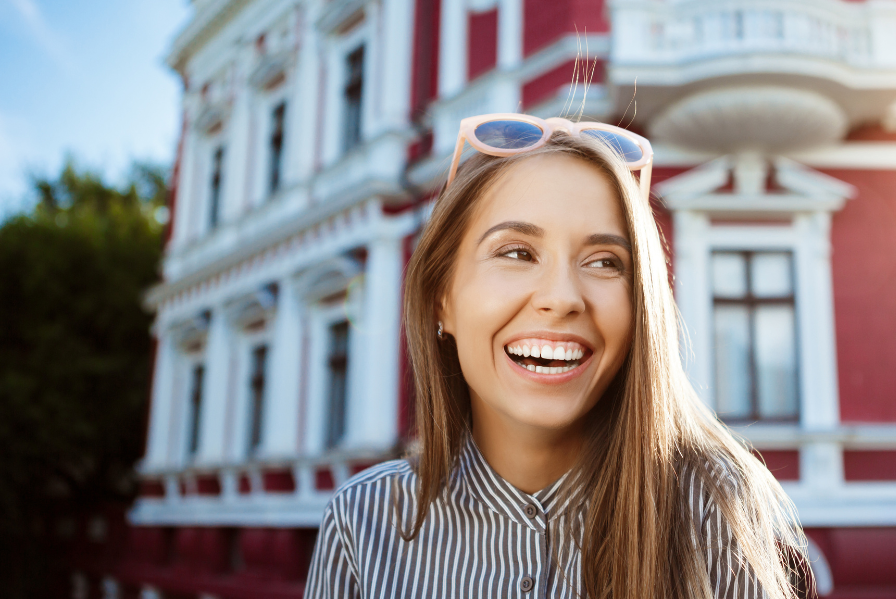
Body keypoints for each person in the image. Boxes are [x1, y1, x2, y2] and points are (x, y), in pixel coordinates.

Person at [303, 114, 811, 598]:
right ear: (443, 299)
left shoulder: (716, 513)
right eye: (517, 252)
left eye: (604, 261)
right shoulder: (362, 522)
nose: (564, 296)